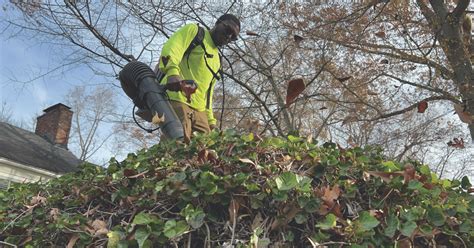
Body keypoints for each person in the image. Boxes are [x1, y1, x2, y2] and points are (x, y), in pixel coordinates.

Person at [155, 14, 240, 143]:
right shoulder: (195, 32)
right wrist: (172, 73)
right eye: (228, 30)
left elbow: (208, 92)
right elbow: (172, 48)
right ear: (218, 22)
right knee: (178, 144)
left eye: (233, 37)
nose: (229, 36)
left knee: (207, 150)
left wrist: (210, 121)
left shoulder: (218, 60)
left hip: (200, 110)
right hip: (177, 98)